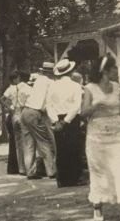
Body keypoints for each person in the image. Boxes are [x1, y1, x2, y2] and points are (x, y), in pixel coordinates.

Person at [82, 55, 120, 221]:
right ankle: (98, 209)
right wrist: (95, 106)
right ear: (105, 70)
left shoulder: (117, 87)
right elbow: (83, 113)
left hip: (118, 133)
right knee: (99, 171)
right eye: (114, 67)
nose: (117, 70)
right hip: (97, 135)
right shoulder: (90, 88)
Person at [46, 59, 85, 187]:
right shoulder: (75, 86)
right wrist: (66, 121)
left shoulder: (52, 86)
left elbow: (48, 105)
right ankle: (75, 178)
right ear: (71, 71)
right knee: (74, 148)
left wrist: (55, 121)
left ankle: (62, 179)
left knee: (61, 148)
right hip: (71, 119)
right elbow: (76, 105)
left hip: (57, 118)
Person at [21, 62, 56, 179]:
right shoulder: (50, 83)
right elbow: (48, 103)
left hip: (25, 111)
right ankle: (51, 170)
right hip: (35, 112)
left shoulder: (38, 81)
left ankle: (30, 172)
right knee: (43, 141)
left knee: (28, 144)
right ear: (51, 73)